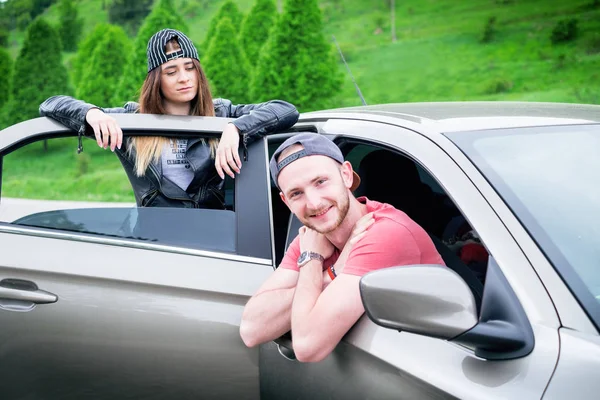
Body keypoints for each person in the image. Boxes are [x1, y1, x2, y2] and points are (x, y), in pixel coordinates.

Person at [239, 132, 445, 362]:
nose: (314, 203)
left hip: (433, 368)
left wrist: (311, 263)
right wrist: (330, 271)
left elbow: (307, 347)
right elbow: (251, 330)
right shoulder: (312, 238)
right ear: (286, 202)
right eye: (296, 193)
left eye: (321, 182)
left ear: (346, 175)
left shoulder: (385, 233)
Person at [39, 28, 299, 209]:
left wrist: (236, 128)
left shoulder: (221, 113)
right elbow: (50, 104)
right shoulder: (134, 121)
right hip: (158, 242)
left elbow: (285, 109)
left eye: (189, 68)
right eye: (171, 72)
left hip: (218, 237)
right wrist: (90, 113)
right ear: (156, 81)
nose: (184, 78)